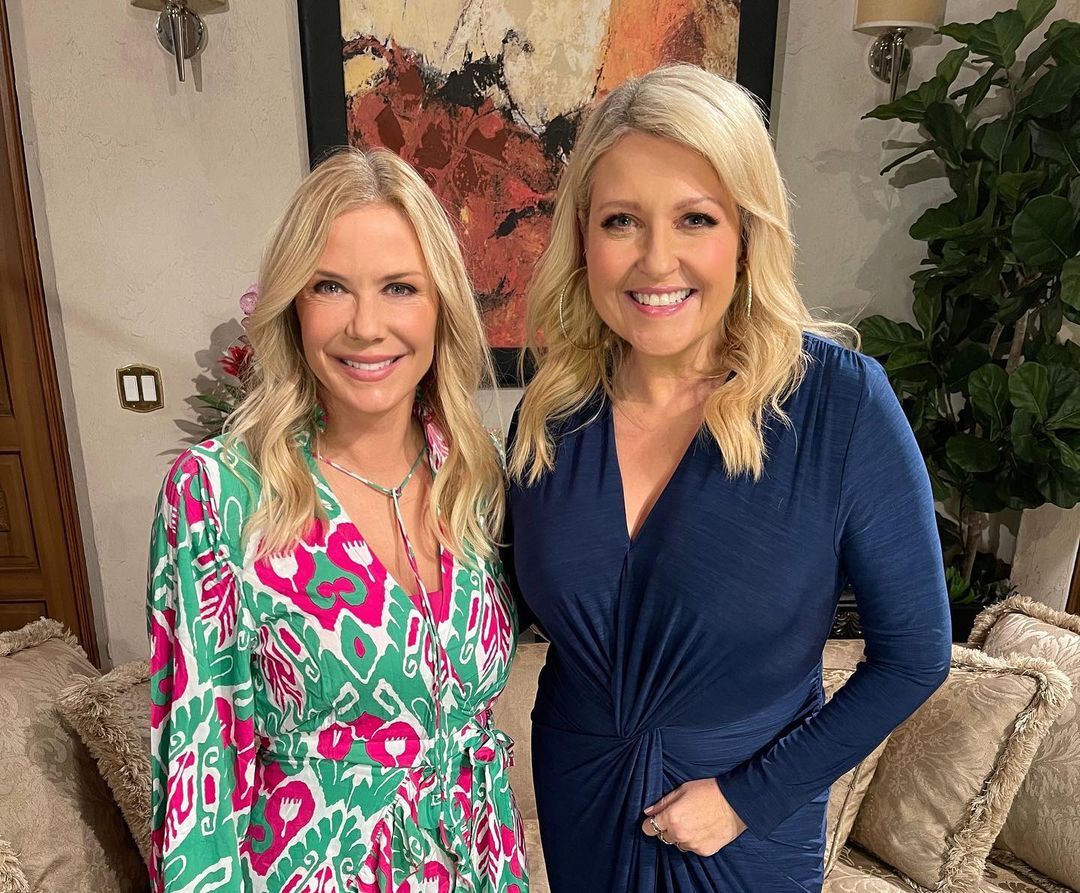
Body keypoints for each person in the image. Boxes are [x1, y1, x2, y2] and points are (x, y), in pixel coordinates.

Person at [504, 64, 951, 891]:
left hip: (738, 836)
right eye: (621, 221)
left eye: (696, 219)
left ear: (746, 235)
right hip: (581, 802)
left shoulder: (838, 405)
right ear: (583, 238)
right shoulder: (553, 414)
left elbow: (916, 655)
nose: (656, 259)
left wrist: (750, 797)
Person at [148, 148, 528, 893]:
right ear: (293, 305)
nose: (366, 325)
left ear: (440, 306)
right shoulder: (220, 493)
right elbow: (196, 773)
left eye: (399, 288)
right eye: (330, 287)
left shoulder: (473, 473)